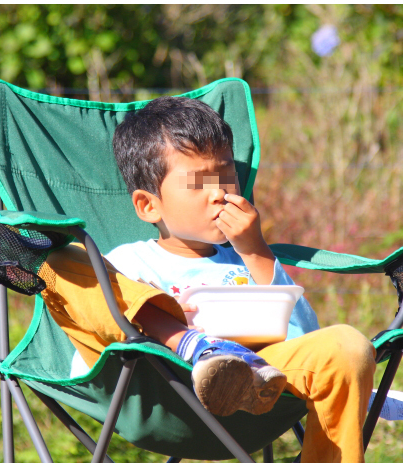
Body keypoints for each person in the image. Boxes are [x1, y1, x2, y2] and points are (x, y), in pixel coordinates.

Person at [39, 96, 376, 462]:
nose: (220, 192)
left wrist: (256, 251)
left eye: (226, 175)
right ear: (149, 205)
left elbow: (304, 337)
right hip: (159, 392)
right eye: (200, 183)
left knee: (348, 345)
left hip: (256, 382)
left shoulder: (248, 259)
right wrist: (162, 318)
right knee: (60, 258)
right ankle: (189, 343)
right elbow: (95, 346)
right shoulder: (128, 264)